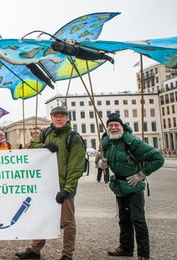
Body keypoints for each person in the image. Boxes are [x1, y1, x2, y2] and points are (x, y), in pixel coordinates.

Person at [15, 106, 86, 260]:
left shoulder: (73, 137)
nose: (59, 119)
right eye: (56, 116)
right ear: (52, 117)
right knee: (43, 217)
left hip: (64, 186)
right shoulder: (46, 133)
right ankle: (35, 250)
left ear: (67, 118)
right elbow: (31, 147)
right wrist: (44, 146)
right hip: (46, 185)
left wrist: (67, 189)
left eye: (62, 116)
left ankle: (67, 254)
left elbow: (76, 166)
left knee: (67, 221)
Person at [100, 113, 164, 260]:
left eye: (116, 125)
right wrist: (103, 164)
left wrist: (141, 174)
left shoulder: (132, 142)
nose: (113, 127)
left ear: (122, 127)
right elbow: (112, 160)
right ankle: (126, 247)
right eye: (110, 125)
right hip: (119, 186)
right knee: (123, 218)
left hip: (133, 185)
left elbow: (158, 158)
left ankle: (143, 253)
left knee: (138, 219)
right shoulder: (108, 142)